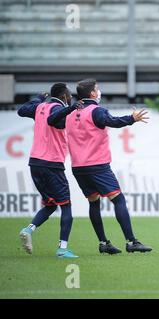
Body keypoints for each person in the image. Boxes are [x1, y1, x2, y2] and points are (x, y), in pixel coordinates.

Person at [64, 78, 152, 254]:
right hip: (97, 165)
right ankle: (131, 241)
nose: (99, 91)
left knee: (94, 203)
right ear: (93, 94)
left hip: (78, 167)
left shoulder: (70, 114)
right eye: (98, 89)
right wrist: (131, 119)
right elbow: (113, 121)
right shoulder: (96, 111)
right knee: (118, 200)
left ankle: (104, 243)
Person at [18, 83, 79, 258]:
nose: (71, 98)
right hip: (52, 164)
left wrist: (38, 98)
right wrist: (71, 108)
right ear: (65, 96)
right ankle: (62, 249)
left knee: (51, 204)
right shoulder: (59, 110)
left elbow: (22, 110)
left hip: (35, 163)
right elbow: (53, 119)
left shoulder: (40, 107)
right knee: (66, 206)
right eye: (69, 95)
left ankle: (28, 230)